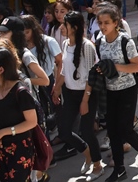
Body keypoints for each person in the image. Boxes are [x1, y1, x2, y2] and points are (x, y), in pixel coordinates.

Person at [93, 5, 138, 181]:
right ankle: (119, 169)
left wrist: (115, 66)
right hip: (110, 91)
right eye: (100, 23)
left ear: (116, 22)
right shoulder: (99, 41)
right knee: (112, 131)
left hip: (127, 90)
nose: (103, 26)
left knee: (125, 129)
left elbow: (136, 66)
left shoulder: (126, 41)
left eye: (107, 23)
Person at [52, 12, 103, 179]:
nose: (61, 27)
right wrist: (57, 88)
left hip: (87, 93)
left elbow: (91, 76)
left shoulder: (87, 46)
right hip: (70, 93)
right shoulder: (66, 44)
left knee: (87, 131)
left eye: (65, 25)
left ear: (74, 27)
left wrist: (85, 100)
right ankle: (87, 153)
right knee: (65, 131)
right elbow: (65, 71)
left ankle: (97, 164)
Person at [0, 46, 38, 182]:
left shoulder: (20, 92)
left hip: (20, 149)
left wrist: (3, 132)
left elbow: (31, 122)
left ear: (1, 69)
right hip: (0, 149)